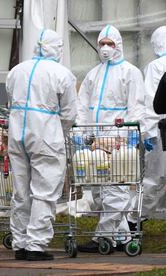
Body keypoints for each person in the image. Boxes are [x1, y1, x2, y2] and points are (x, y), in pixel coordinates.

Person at [7, 29, 77, 261]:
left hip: (17, 134)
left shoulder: (17, 71)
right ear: (57, 48)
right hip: (46, 135)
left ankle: (20, 243)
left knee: (21, 191)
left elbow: (11, 99)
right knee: (44, 191)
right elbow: (68, 114)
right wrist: (59, 131)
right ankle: (36, 245)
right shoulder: (62, 74)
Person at [77, 25, 145, 253]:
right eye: (102, 43)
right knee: (99, 192)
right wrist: (82, 133)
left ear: (118, 46)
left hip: (118, 140)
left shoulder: (130, 72)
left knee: (116, 190)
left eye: (110, 43)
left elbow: (136, 108)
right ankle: (124, 238)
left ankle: (102, 237)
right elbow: (82, 105)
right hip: (95, 140)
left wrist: (129, 137)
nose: (105, 48)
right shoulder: (93, 74)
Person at [127, 26, 166, 229]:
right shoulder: (157, 66)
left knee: (154, 178)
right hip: (160, 129)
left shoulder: (155, 66)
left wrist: (149, 131)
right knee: (156, 178)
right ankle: (135, 218)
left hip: (160, 130)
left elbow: (151, 102)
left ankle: (135, 219)